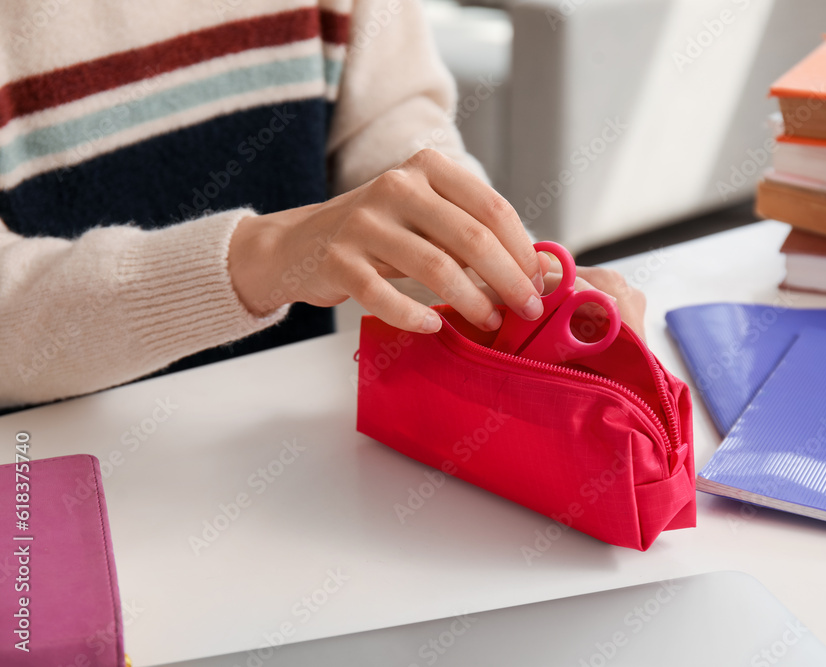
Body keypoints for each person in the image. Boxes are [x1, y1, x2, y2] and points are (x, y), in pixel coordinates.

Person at [0, 0, 644, 412]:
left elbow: (391, 130)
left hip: (288, 451)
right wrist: (259, 258)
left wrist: (495, 267)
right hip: (45, 487)